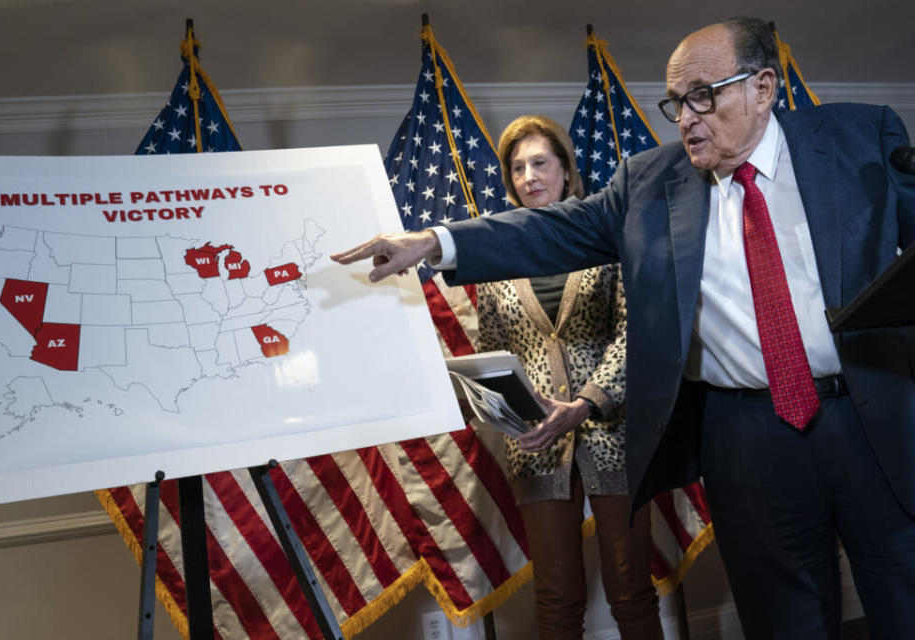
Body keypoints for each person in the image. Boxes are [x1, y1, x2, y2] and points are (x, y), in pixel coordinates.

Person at [333, 16, 915, 639]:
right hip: (746, 439)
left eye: (703, 96)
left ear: (764, 87)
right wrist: (432, 241)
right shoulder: (649, 184)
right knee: (784, 620)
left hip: (869, 415)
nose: (686, 117)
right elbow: (552, 229)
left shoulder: (862, 137)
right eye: (676, 103)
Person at [475, 115, 660, 639]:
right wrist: (507, 411)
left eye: (540, 163)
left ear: (564, 170)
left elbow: (635, 330)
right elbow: (489, 351)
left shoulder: (606, 238)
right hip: (535, 444)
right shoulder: (496, 255)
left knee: (632, 590)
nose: (529, 176)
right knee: (555, 598)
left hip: (614, 434)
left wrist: (586, 401)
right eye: (517, 168)